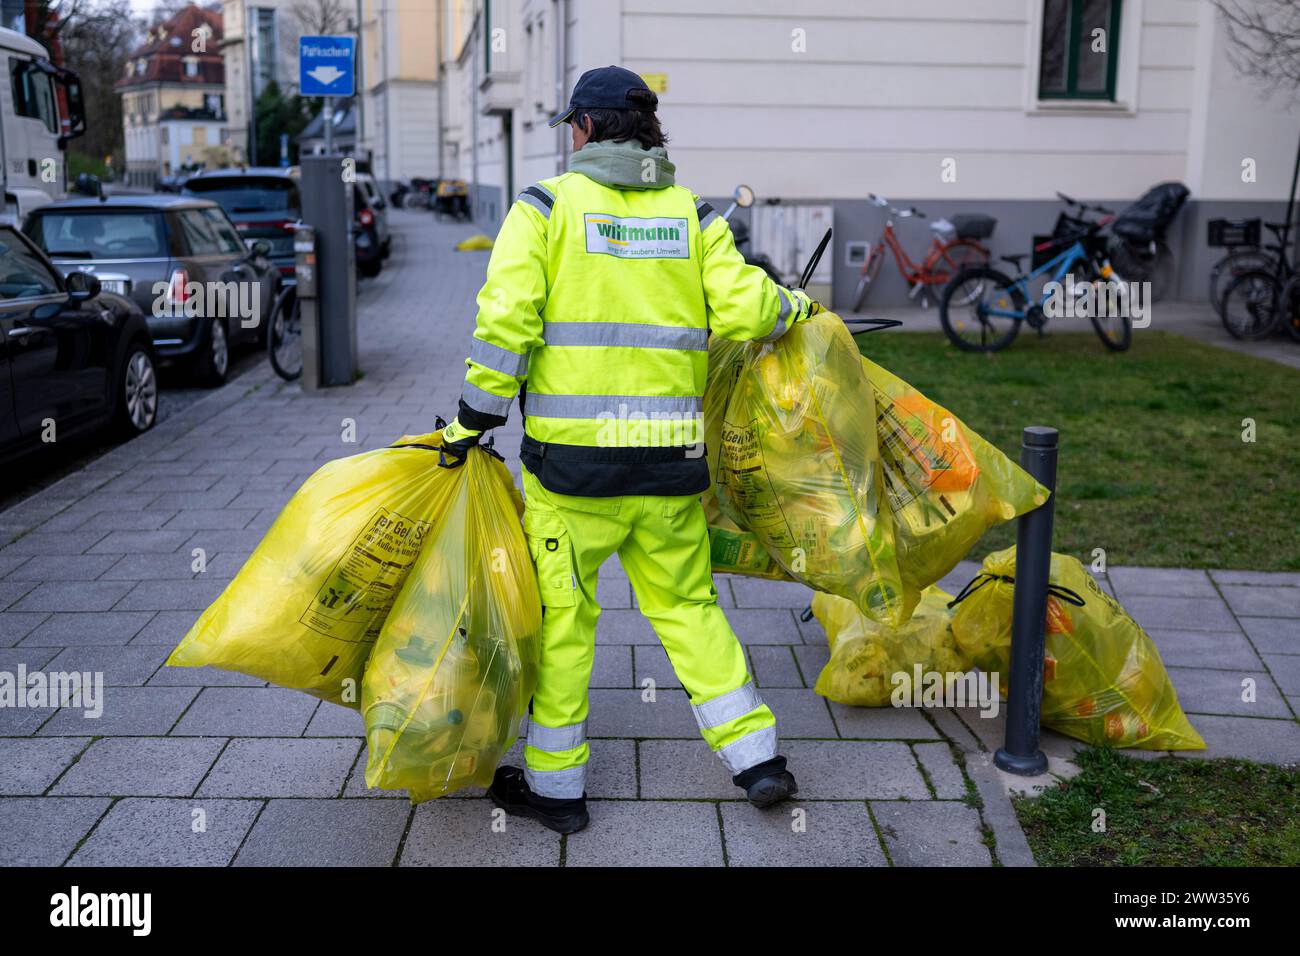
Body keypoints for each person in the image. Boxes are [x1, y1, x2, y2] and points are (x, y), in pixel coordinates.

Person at [440, 65, 815, 834]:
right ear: (650, 134)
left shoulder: (544, 207)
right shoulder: (691, 214)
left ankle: (556, 789)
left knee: (567, 621)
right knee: (688, 609)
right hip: (668, 468)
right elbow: (749, 307)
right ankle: (758, 761)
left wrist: (472, 422)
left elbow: (505, 323)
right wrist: (798, 305)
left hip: (572, 474)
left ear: (582, 128)